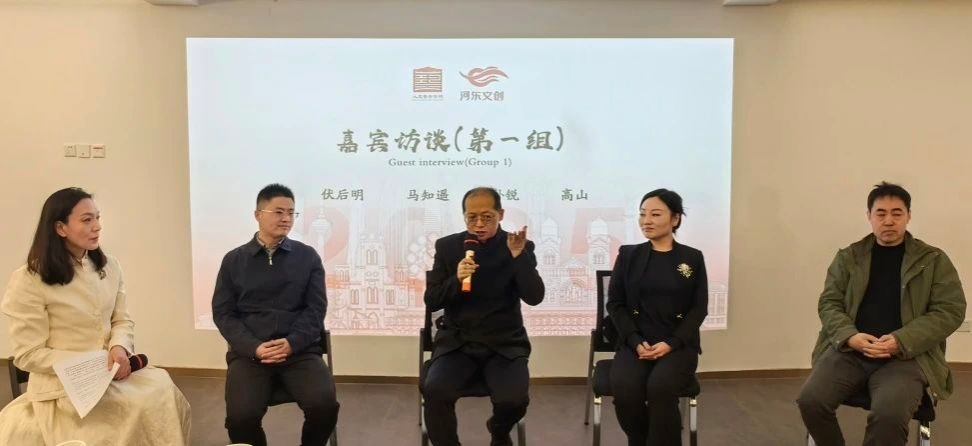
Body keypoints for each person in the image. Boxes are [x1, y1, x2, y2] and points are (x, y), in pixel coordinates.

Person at [0, 187, 191, 445]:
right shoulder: (29, 279)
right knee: (120, 418)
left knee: (162, 391)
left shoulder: (109, 266)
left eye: (98, 218)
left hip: (109, 375)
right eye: (87, 220)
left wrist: (118, 347)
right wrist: (90, 363)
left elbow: (121, 320)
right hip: (64, 389)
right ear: (60, 228)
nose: (97, 226)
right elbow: (28, 354)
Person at [797, 182, 966, 446]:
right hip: (850, 351)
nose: (889, 221)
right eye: (881, 213)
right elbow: (829, 303)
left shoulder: (933, 260)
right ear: (869, 216)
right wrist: (850, 336)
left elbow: (950, 310)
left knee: (889, 415)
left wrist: (901, 340)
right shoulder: (849, 257)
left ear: (909, 216)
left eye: (897, 213)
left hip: (906, 357)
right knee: (810, 401)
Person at [212, 183, 339, 446]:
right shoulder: (234, 260)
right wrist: (254, 347)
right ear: (258, 214)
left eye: (291, 213)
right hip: (251, 355)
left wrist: (293, 343)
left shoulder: (307, 257)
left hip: (300, 352)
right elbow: (223, 313)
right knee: (240, 418)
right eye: (278, 212)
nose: (286, 219)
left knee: (324, 406)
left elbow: (316, 309)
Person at [423, 187, 545, 446]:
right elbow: (432, 300)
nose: (479, 224)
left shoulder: (518, 245)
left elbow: (534, 297)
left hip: (504, 343)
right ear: (464, 216)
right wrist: (456, 279)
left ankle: (498, 431)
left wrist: (518, 257)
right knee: (435, 391)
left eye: (487, 217)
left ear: (501, 214)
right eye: (472, 217)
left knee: (514, 400)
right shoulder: (448, 247)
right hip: (458, 343)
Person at [606, 188, 708, 446]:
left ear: (675, 219)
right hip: (636, 343)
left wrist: (671, 343)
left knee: (660, 388)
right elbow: (615, 304)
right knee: (626, 390)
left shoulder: (692, 257)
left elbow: (699, 308)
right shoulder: (628, 255)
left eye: (655, 214)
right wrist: (634, 340)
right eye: (642, 214)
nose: (646, 221)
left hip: (677, 345)